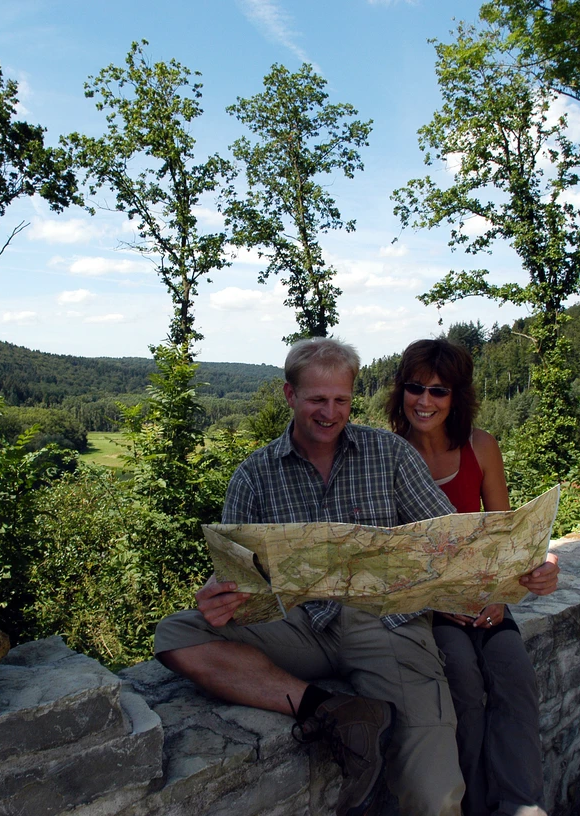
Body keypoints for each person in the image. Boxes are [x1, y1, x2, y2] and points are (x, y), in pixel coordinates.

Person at [154, 337, 466, 816]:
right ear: (289, 395)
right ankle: (331, 711)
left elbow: (450, 540)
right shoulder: (254, 475)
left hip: (384, 623)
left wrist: (523, 567)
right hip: (296, 625)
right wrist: (217, 596)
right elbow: (238, 578)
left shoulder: (391, 455)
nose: (330, 412)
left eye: (341, 400)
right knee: (177, 633)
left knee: (434, 792)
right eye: (318, 399)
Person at [387, 338, 559, 816]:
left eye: (439, 391)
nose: (425, 401)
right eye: (415, 388)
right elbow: (388, 554)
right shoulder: (386, 454)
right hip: (428, 603)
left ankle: (520, 803)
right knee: (462, 680)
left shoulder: (481, 447)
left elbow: (504, 535)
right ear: (400, 392)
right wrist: (437, 601)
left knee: (514, 674)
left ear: (456, 396)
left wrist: (511, 589)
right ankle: (472, 804)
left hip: (484, 598)